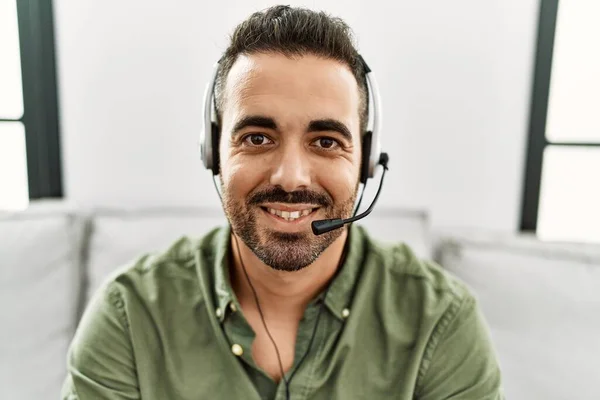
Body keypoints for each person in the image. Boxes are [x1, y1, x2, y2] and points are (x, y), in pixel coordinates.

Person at [61, 5, 503, 399]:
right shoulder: (130, 316)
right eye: (257, 137)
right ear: (213, 152)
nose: (290, 177)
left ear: (366, 161)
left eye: (326, 141)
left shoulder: (441, 323)